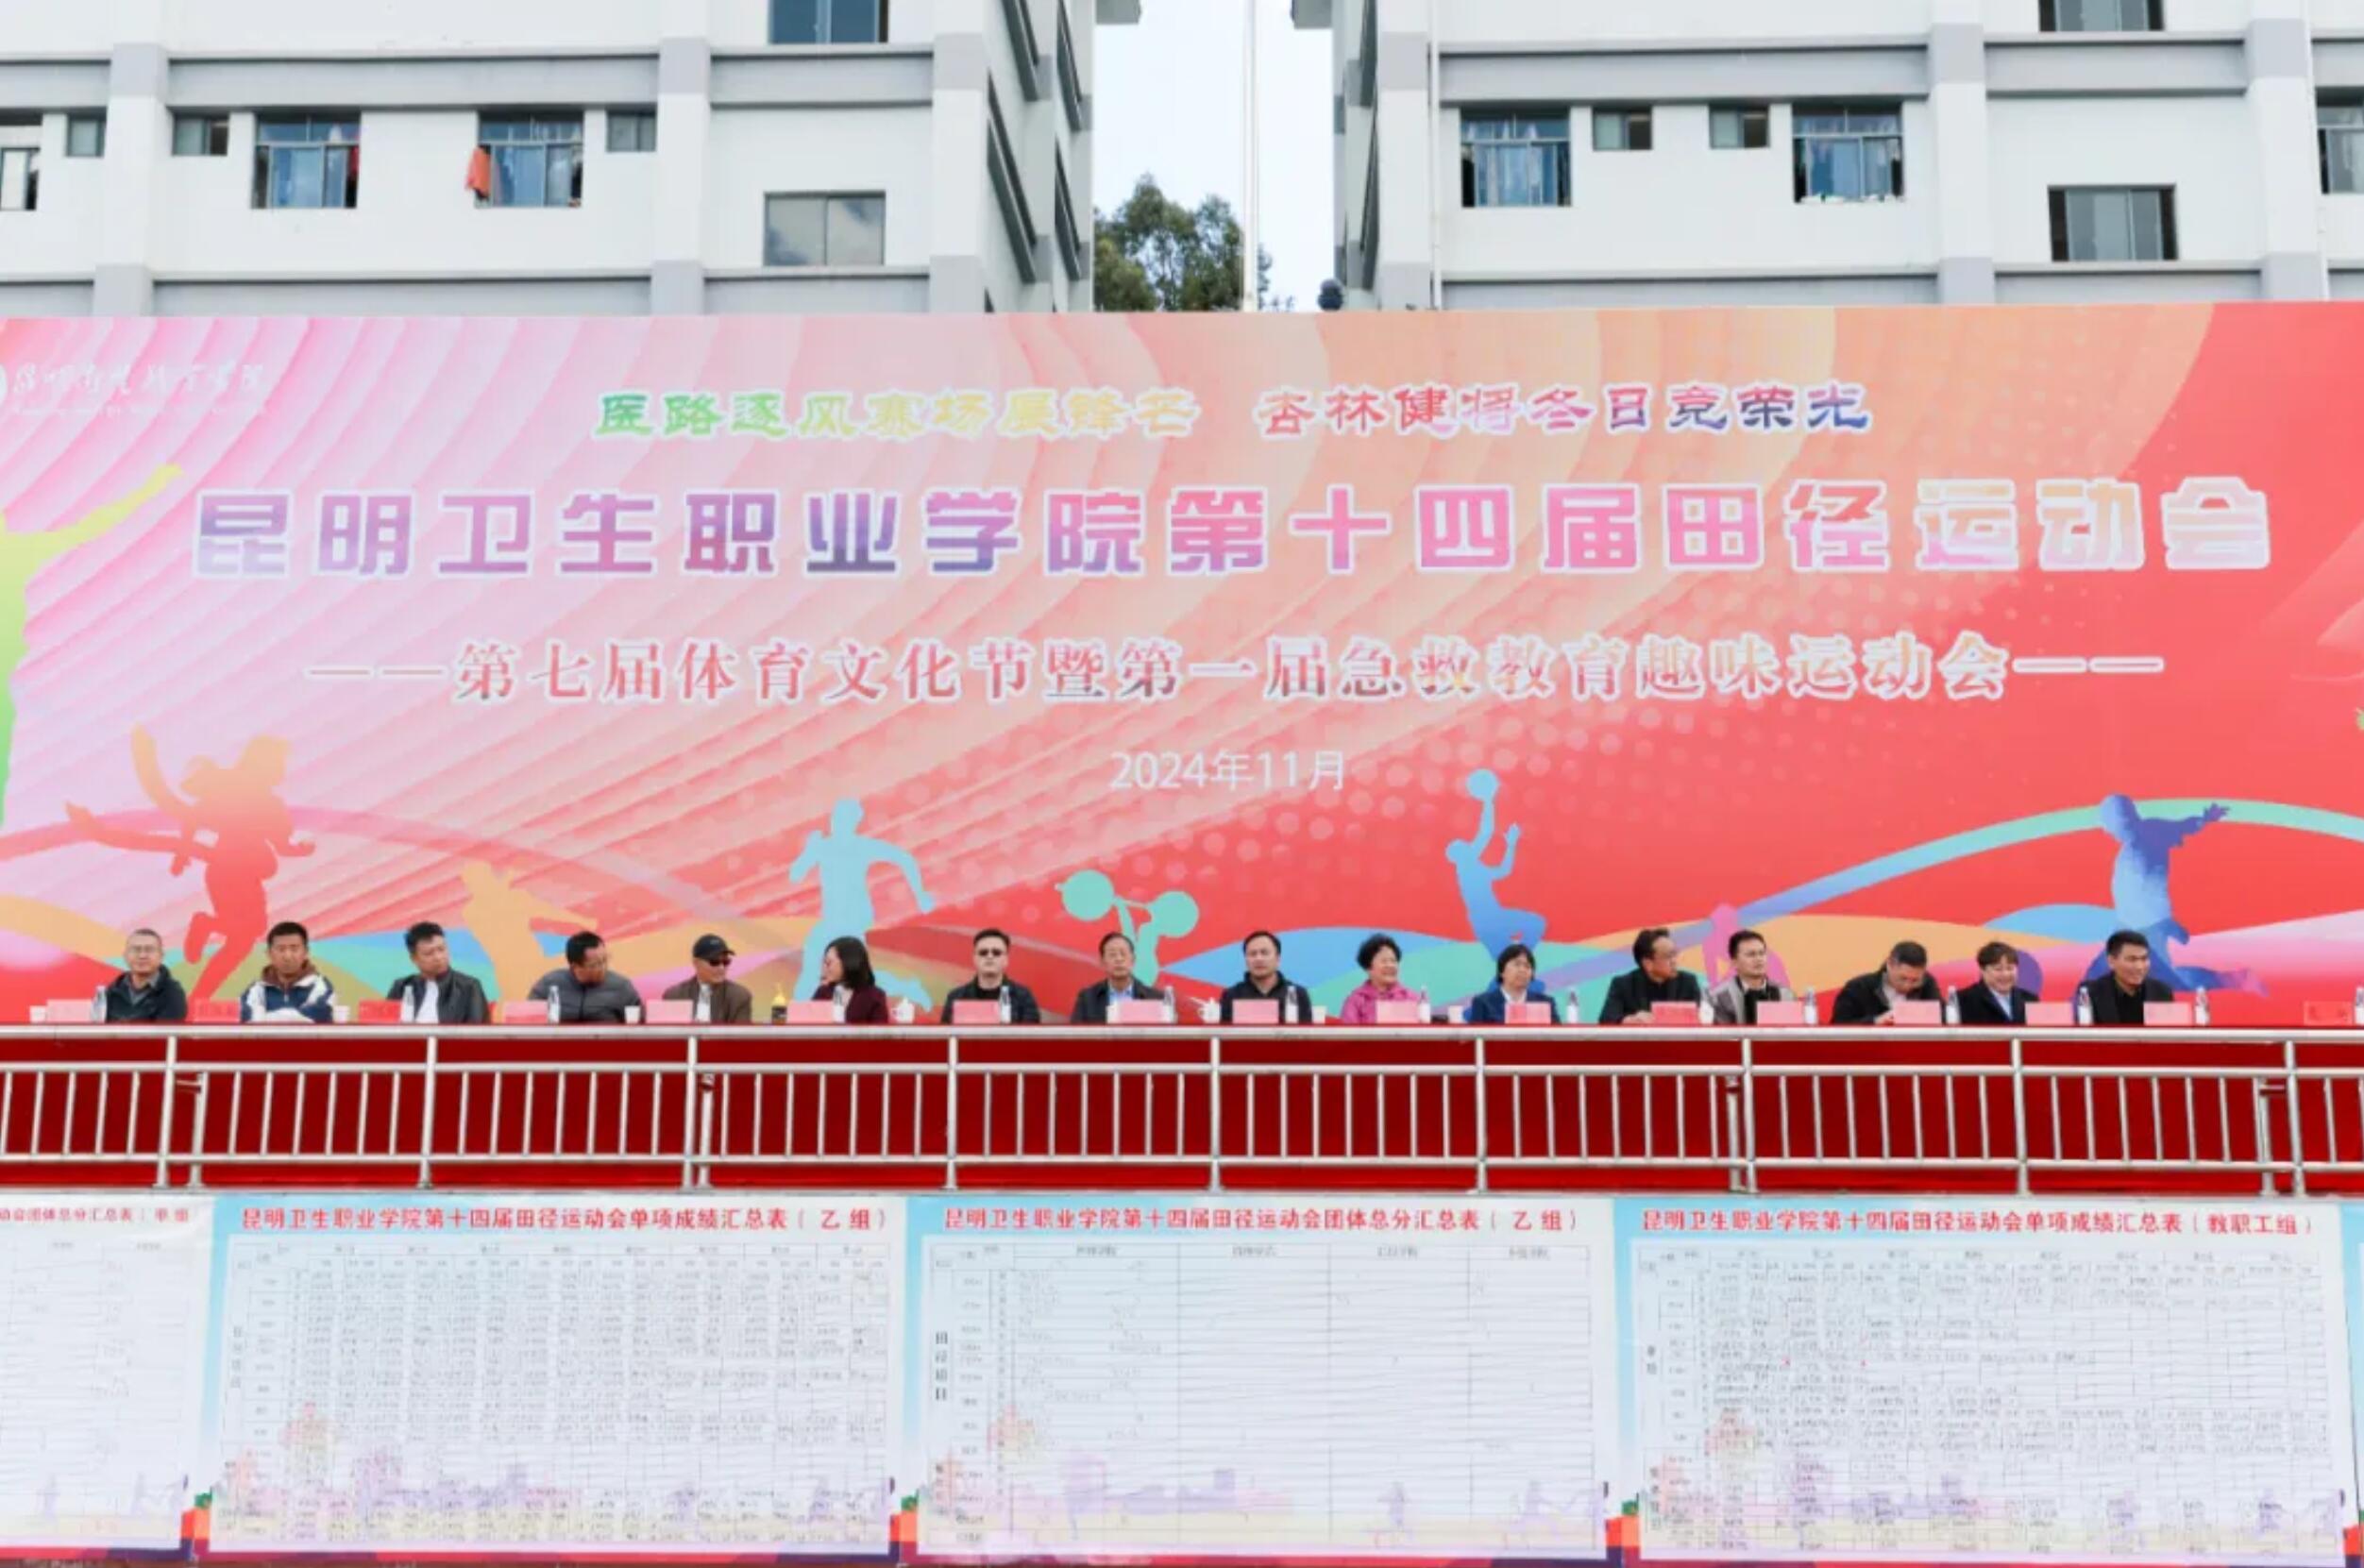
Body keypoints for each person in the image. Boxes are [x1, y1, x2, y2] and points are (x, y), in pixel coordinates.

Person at [385, 921, 489, 1025]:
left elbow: (476, 1030)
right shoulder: (401, 987)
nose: (438, 957)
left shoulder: (469, 987)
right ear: (414, 959)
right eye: (429, 953)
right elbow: (386, 1026)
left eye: (441, 949)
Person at [529, 932, 643, 1024]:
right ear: (575, 967)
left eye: (605, 960)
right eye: (595, 965)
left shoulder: (621, 987)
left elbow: (640, 1025)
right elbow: (529, 1019)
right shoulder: (549, 984)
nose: (603, 967)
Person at [1599, 928, 1704, 1025]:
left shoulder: (1688, 983)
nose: (1674, 961)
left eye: (1675, 954)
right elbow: (1606, 1020)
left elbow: (1699, 1020)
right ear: (1648, 964)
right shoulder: (1623, 985)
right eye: (1668, 956)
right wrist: (1629, 1020)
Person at [238, 920, 335, 1023]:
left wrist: (265, 1018)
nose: (287, 956)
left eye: (294, 949)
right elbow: (248, 1020)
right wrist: (294, 1017)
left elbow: (318, 1016)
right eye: (281, 949)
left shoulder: (321, 986)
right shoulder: (256, 989)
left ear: (306, 952)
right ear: (269, 953)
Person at [939, 928, 1042, 1023]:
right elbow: (946, 1034)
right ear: (975, 959)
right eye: (983, 952)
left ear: (1006, 959)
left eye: (996, 953)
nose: (989, 956)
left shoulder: (1023, 996)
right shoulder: (956, 996)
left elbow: (1031, 1035)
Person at [1831, 940, 1943, 1025]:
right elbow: (1837, 1026)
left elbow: (1943, 1016)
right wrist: (1875, 1021)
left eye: (1914, 981)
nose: (1907, 986)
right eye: (1902, 978)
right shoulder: (1858, 987)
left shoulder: (1926, 983)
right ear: (1889, 964)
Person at [2080, 929, 2174, 1025]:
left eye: (2144, 959)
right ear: (2111, 961)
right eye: (2132, 959)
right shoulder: (2091, 993)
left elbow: (2166, 1032)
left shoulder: (2162, 992)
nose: (2139, 967)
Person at [1219, 930, 1314, 1023]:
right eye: (1253, 954)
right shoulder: (1232, 995)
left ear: (1278, 959)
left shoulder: (1297, 994)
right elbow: (1223, 1032)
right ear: (1246, 960)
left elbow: (1306, 1032)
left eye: (1264, 953)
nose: (1258, 959)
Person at [1071, 932, 1164, 1023]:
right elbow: (1076, 1032)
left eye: (1123, 954)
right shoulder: (1088, 999)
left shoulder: (1155, 998)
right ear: (1103, 962)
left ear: (1133, 960)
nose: (1119, 959)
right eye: (1112, 954)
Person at [662, 934, 753, 1024]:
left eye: (726, 962)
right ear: (696, 963)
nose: (721, 968)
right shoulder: (675, 996)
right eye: (714, 962)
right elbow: (669, 1032)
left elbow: (740, 1033)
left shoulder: (739, 996)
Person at [104, 928, 188, 1023]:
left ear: (161, 956)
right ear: (125, 956)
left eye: (149, 950)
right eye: (136, 950)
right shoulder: (113, 991)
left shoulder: (172, 992)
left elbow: (166, 1031)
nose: (142, 956)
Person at [1706, 929, 1788, 1025]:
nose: (1759, 959)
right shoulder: (1719, 998)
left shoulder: (1784, 994)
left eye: (1762, 953)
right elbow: (1722, 1033)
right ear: (1734, 962)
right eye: (1751, 955)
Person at [1466, 942, 1560, 1025]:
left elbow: (1558, 1036)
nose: (1522, 970)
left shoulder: (1545, 1003)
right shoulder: (1483, 1003)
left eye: (1527, 966)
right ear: (1502, 971)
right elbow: (1475, 1037)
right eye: (1517, 964)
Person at [1340, 934, 1422, 1024]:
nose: (1390, 965)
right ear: (1368, 967)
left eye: (1393, 961)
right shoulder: (1355, 1001)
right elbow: (1349, 1032)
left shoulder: (1411, 998)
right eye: (1384, 961)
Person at [1957, 941, 2040, 1027]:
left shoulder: (2030, 1000)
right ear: (1982, 971)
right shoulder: (1963, 1000)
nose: (2005, 974)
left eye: (2010, 968)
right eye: (1998, 969)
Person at [811, 935, 890, 1024]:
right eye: (824, 963)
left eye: (828, 963)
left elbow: (880, 1031)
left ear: (848, 962)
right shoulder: (822, 992)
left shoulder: (875, 996)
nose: (824, 968)